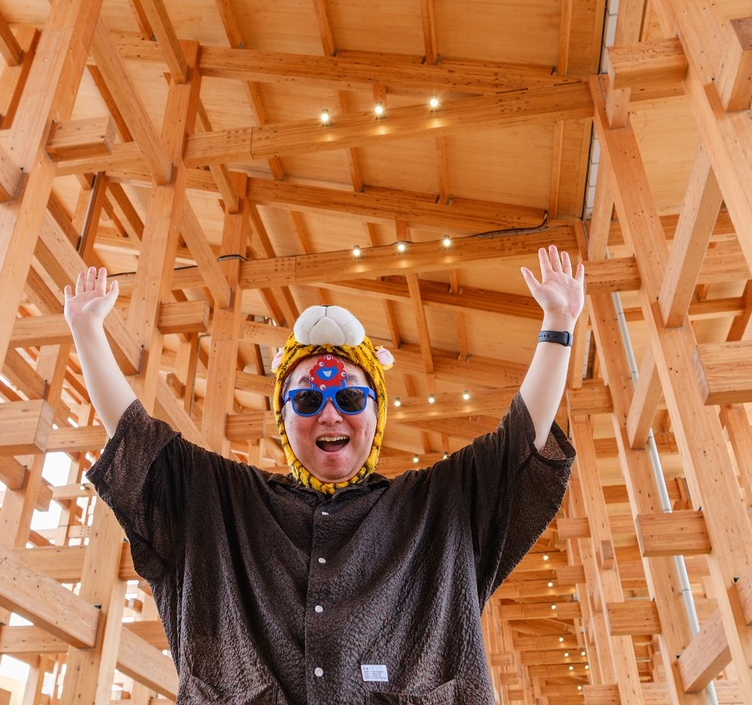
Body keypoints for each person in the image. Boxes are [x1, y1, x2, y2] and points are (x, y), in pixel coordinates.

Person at [64, 245, 584, 703]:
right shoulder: (221, 504)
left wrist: (558, 326)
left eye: (351, 397)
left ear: (376, 413)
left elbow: (521, 445)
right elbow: (139, 445)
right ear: (283, 416)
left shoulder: (439, 508)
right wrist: (87, 331)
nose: (330, 415)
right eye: (309, 399)